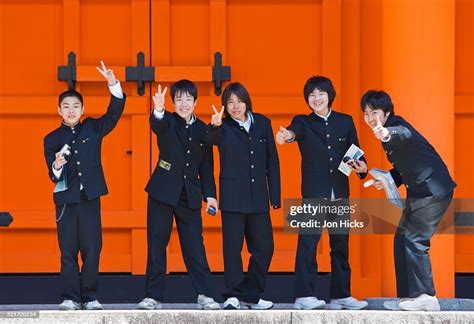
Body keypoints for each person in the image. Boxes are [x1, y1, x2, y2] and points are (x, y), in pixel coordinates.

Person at [276, 76, 369, 310]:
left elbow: (356, 154)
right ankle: (304, 296)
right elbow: (293, 132)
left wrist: (362, 168)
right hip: (313, 194)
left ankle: (341, 295)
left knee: (340, 246)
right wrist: (286, 136)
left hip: (339, 193)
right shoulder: (303, 122)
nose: (316, 99)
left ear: (330, 96)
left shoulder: (345, 122)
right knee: (308, 244)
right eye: (311, 95)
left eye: (320, 94)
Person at [361, 90, 456, 311]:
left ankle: (427, 297)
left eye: (374, 112)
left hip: (434, 190)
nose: (369, 118)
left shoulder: (396, 126)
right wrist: (387, 179)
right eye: (366, 114)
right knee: (401, 238)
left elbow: (402, 133)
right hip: (418, 191)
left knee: (415, 239)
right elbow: (404, 167)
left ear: (387, 112)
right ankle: (409, 298)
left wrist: (386, 133)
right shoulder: (386, 132)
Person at [43, 61, 126, 310]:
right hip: (66, 201)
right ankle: (69, 297)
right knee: (67, 251)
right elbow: (52, 175)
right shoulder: (52, 139)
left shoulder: (92, 127)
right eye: (66, 107)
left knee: (92, 249)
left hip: (90, 197)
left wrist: (113, 83)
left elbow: (114, 114)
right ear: (59, 110)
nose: (71, 111)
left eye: (75, 106)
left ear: (83, 108)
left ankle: (89, 297)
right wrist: (57, 165)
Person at [138, 80, 220, 310]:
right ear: (172, 102)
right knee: (156, 244)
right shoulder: (168, 121)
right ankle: (152, 296)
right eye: (179, 99)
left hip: (190, 195)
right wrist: (158, 109)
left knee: (194, 245)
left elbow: (206, 166)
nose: (184, 104)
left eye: (188, 99)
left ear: (195, 102)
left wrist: (210, 195)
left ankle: (205, 294)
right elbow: (157, 124)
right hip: (162, 191)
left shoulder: (203, 128)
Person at [204, 82, 281, 310]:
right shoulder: (223, 127)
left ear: (247, 101)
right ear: (225, 106)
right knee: (232, 249)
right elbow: (208, 141)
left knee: (265, 248)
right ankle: (233, 295)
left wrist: (274, 195)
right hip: (232, 197)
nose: (235, 106)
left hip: (258, 198)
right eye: (230, 102)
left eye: (239, 101)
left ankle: (251, 293)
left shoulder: (263, 123)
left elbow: (272, 162)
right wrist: (214, 126)